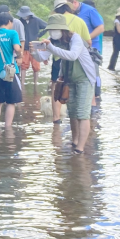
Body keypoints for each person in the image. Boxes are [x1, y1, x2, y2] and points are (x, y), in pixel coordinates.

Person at [40, 14, 96, 154]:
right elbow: (42, 57)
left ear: (62, 29)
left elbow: (72, 55)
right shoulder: (54, 41)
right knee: (72, 111)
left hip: (84, 78)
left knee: (82, 113)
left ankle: (80, 147)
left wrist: (51, 47)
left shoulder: (75, 38)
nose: (52, 32)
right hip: (68, 78)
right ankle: (75, 140)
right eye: (51, 29)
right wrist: (36, 50)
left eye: (55, 29)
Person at [51, 0, 91, 120]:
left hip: (59, 59)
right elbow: (88, 43)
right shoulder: (80, 21)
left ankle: (56, 118)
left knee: (57, 88)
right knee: (80, 101)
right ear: (68, 7)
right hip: (79, 64)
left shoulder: (54, 23)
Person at [66, 0, 104, 103]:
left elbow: (101, 28)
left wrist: (86, 39)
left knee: (93, 73)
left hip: (92, 47)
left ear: (74, 2)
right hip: (75, 48)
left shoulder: (90, 10)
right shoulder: (70, 14)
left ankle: (96, 97)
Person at [16, 6, 48, 84]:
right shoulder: (19, 22)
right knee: (23, 66)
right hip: (24, 47)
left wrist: (39, 35)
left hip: (35, 46)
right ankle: (22, 83)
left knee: (36, 67)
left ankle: (35, 84)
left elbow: (47, 26)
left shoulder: (36, 20)